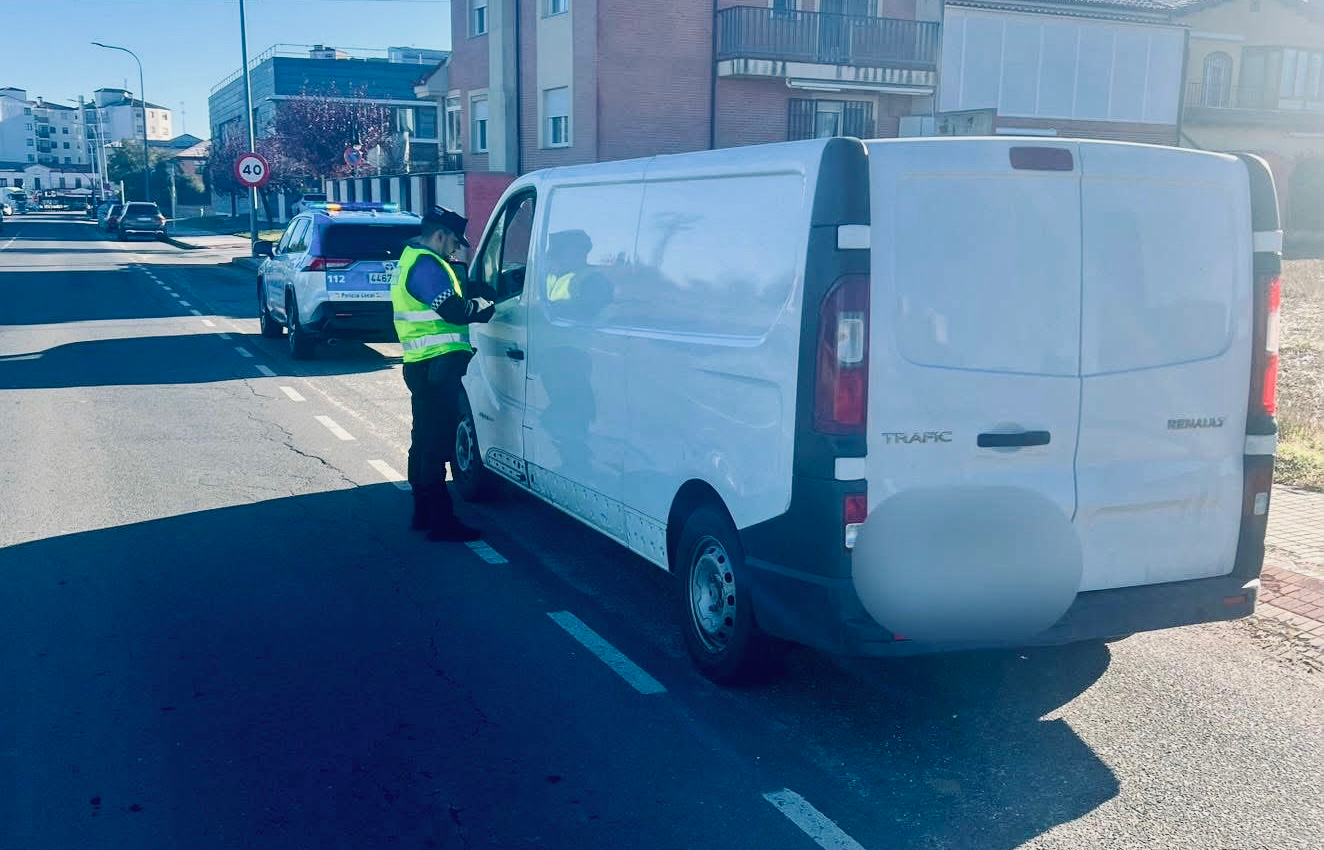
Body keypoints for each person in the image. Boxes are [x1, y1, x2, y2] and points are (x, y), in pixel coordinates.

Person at [391, 206, 496, 542]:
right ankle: (441, 522)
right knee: (436, 446)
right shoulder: (426, 265)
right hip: (436, 366)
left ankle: (422, 513)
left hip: (423, 363)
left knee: (423, 442)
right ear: (439, 235)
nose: (456, 249)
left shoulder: (412, 259)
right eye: (454, 242)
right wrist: (485, 305)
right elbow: (453, 311)